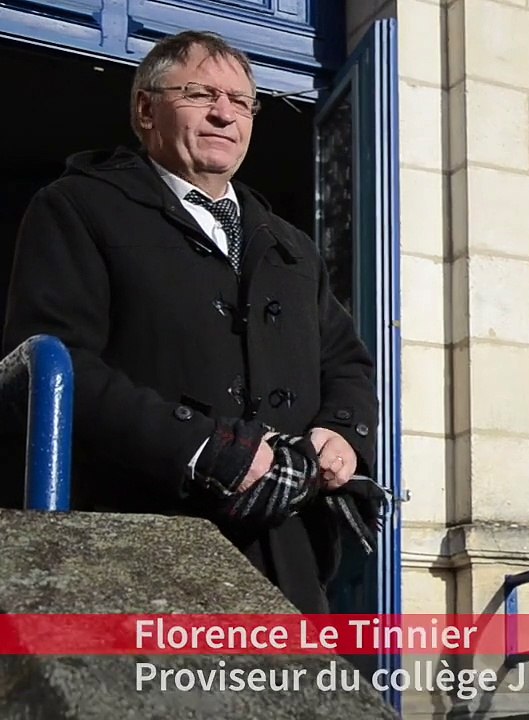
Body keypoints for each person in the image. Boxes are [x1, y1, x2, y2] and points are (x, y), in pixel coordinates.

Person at [2, 30, 382, 613]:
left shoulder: (292, 246)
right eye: (201, 94)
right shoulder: (77, 207)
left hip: (285, 551)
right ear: (145, 110)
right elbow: (57, 360)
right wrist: (202, 446)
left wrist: (343, 432)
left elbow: (347, 363)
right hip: (141, 538)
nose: (225, 114)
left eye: (242, 102)